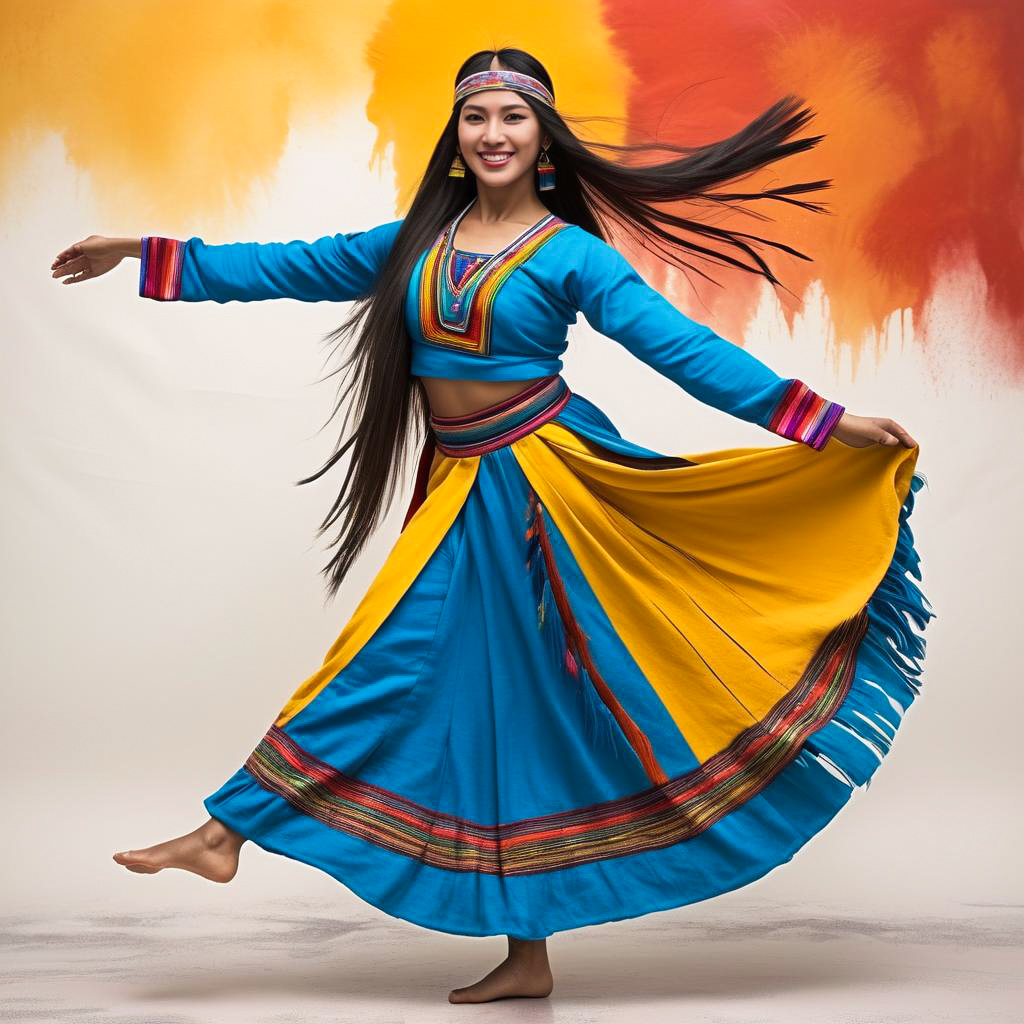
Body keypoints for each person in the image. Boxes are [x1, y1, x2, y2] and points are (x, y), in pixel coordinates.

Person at [51, 49, 932, 1004]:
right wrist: (144, 254)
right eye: (477, 119)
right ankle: (527, 954)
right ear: (457, 139)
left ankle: (226, 833)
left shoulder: (570, 255)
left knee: (386, 665)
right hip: (461, 487)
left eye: (513, 118)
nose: (494, 134)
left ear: (543, 138)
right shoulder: (416, 245)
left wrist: (819, 420)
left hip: (542, 490)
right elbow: (286, 265)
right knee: (509, 710)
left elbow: (684, 351)